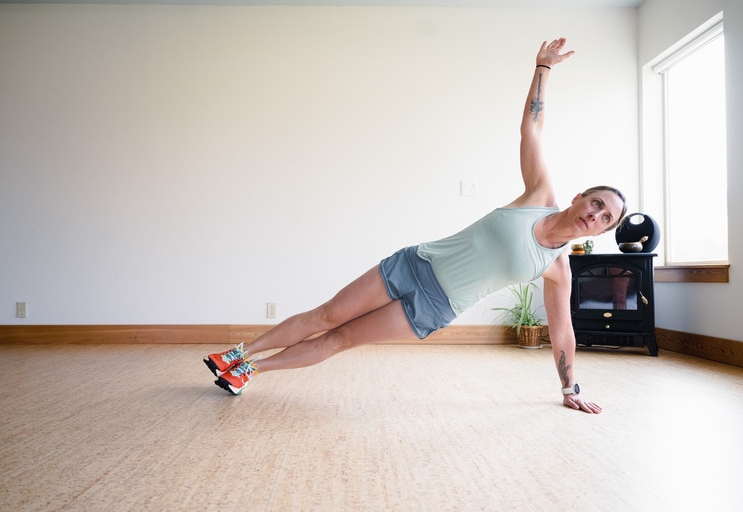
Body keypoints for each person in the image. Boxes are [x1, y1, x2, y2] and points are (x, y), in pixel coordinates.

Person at [204, 38, 626, 414]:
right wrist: (543, 68)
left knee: (340, 340)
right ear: (579, 198)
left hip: (433, 306)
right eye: (596, 202)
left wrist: (569, 387)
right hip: (415, 264)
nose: (596, 214)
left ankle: (250, 369)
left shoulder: (557, 268)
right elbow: (530, 129)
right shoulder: (539, 196)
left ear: (600, 232)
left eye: (605, 217)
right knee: (327, 314)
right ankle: (238, 352)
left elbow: (561, 330)